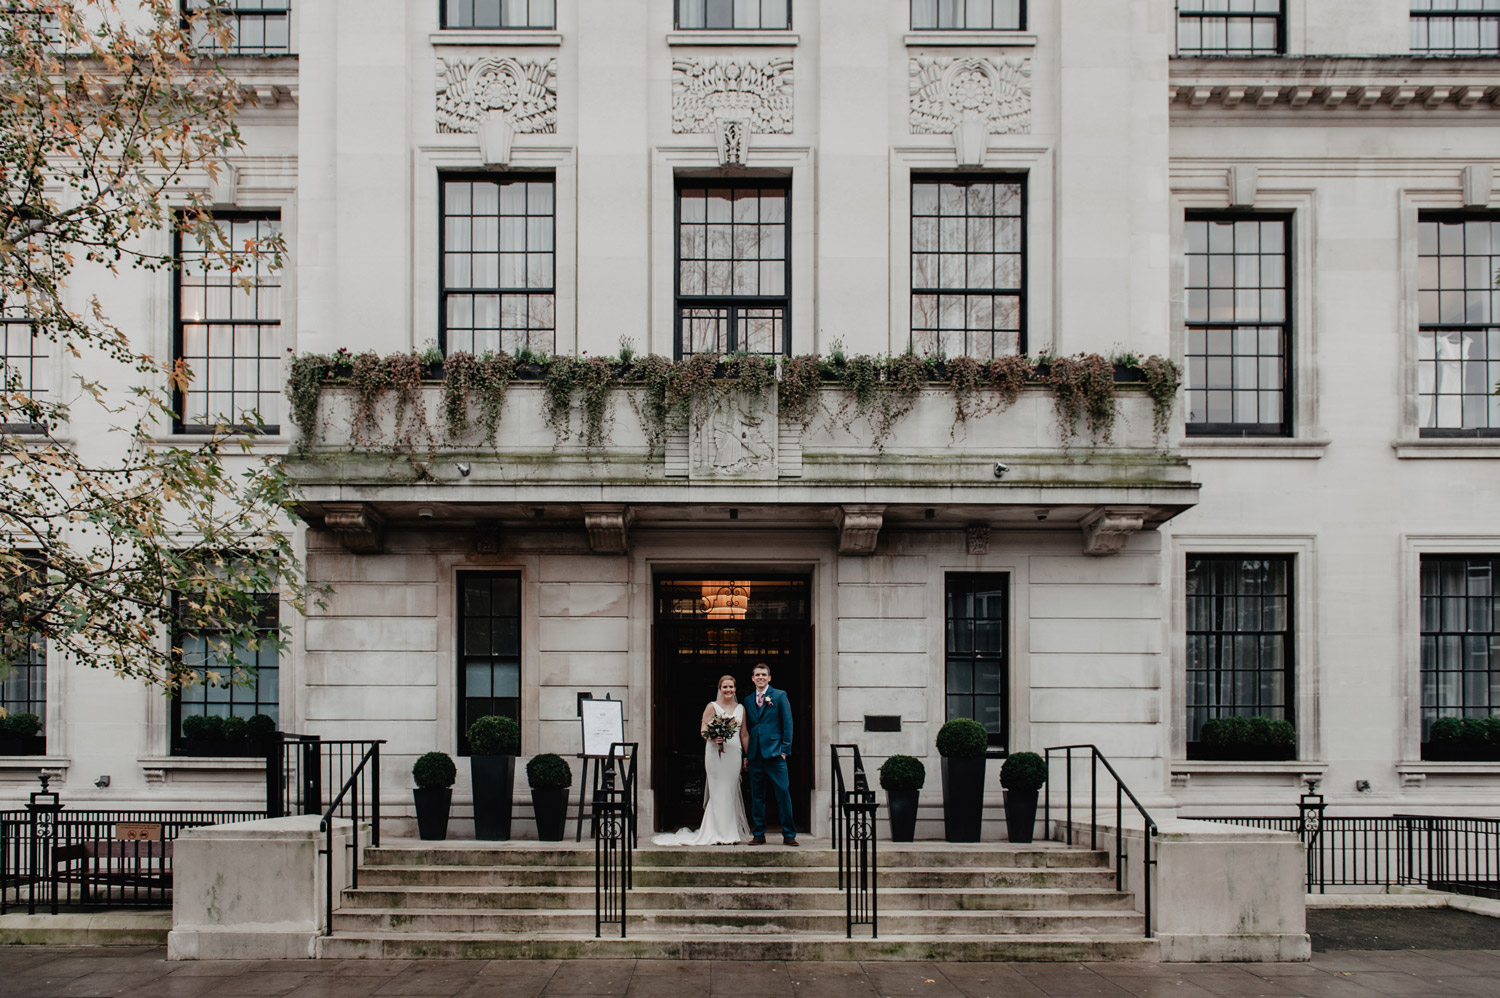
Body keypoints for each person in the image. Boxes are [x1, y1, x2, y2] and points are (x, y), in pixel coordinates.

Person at [651, 675, 750, 846]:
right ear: (720, 689)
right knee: (718, 791)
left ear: (735, 689)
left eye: (731, 687)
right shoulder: (712, 706)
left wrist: (748, 756)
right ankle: (715, 832)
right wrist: (713, 738)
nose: (728, 690)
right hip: (715, 754)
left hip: (734, 754)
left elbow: (744, 734)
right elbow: (703, 730)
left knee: (731, 791)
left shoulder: (741, 708)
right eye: (725, 687)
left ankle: (730, 832)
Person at [744, 662, 796, 846]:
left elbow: (788, 724)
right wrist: (747, 754)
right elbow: (749, 728)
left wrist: (784, 750)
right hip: (755, 754)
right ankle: (759, 834)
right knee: (757, 796)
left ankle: (789, 834)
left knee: (782, 793)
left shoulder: (780, 696)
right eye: (757, 675)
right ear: (752, 678)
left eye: (764, 675)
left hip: (775, 754)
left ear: (769, 678)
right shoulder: (749, 700)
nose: (760, 677)